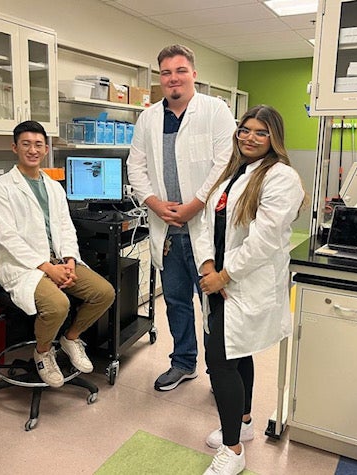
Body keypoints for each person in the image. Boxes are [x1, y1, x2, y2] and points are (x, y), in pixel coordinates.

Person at [195, 105, 304, 475]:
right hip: (219, 280)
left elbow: (264, 241)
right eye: (245, 130)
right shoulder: (231, 174)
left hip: (243, 283)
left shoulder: (281, 177)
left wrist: (224, 276)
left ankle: (233, 450)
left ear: (274, 137)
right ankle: (243, 423)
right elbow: (205, 225)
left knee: (220, 360)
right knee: (237, 354)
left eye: (260, 132)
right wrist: (208, 265)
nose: (250, 137)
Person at [127, 44, 237, 391]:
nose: (173, 78)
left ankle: (221, 373)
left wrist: (196, 204)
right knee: (176, 300)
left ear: (193, 74)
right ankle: (183, 362)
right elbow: (136, 165)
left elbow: (225, 161)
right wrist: (155, 204)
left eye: (180, 70)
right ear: (161, 78)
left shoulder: (215, 110)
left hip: (205, 225)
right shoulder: (148, 118)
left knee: (215, 304)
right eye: (166, 73)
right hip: (168, 227)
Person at [0, 120, 115, 387]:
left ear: (46, 149)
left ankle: (71, 338)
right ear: (14, 148)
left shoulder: (54, 187)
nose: (32, 150)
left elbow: (65, 227)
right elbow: (8, 237)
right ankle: (43, 353)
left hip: (58, 259)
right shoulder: (1, 186)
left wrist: (68, 260)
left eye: (38, 145)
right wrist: (49, 268)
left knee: (104, 293)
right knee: (58, 305)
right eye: (26, 144)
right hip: (24, 267)